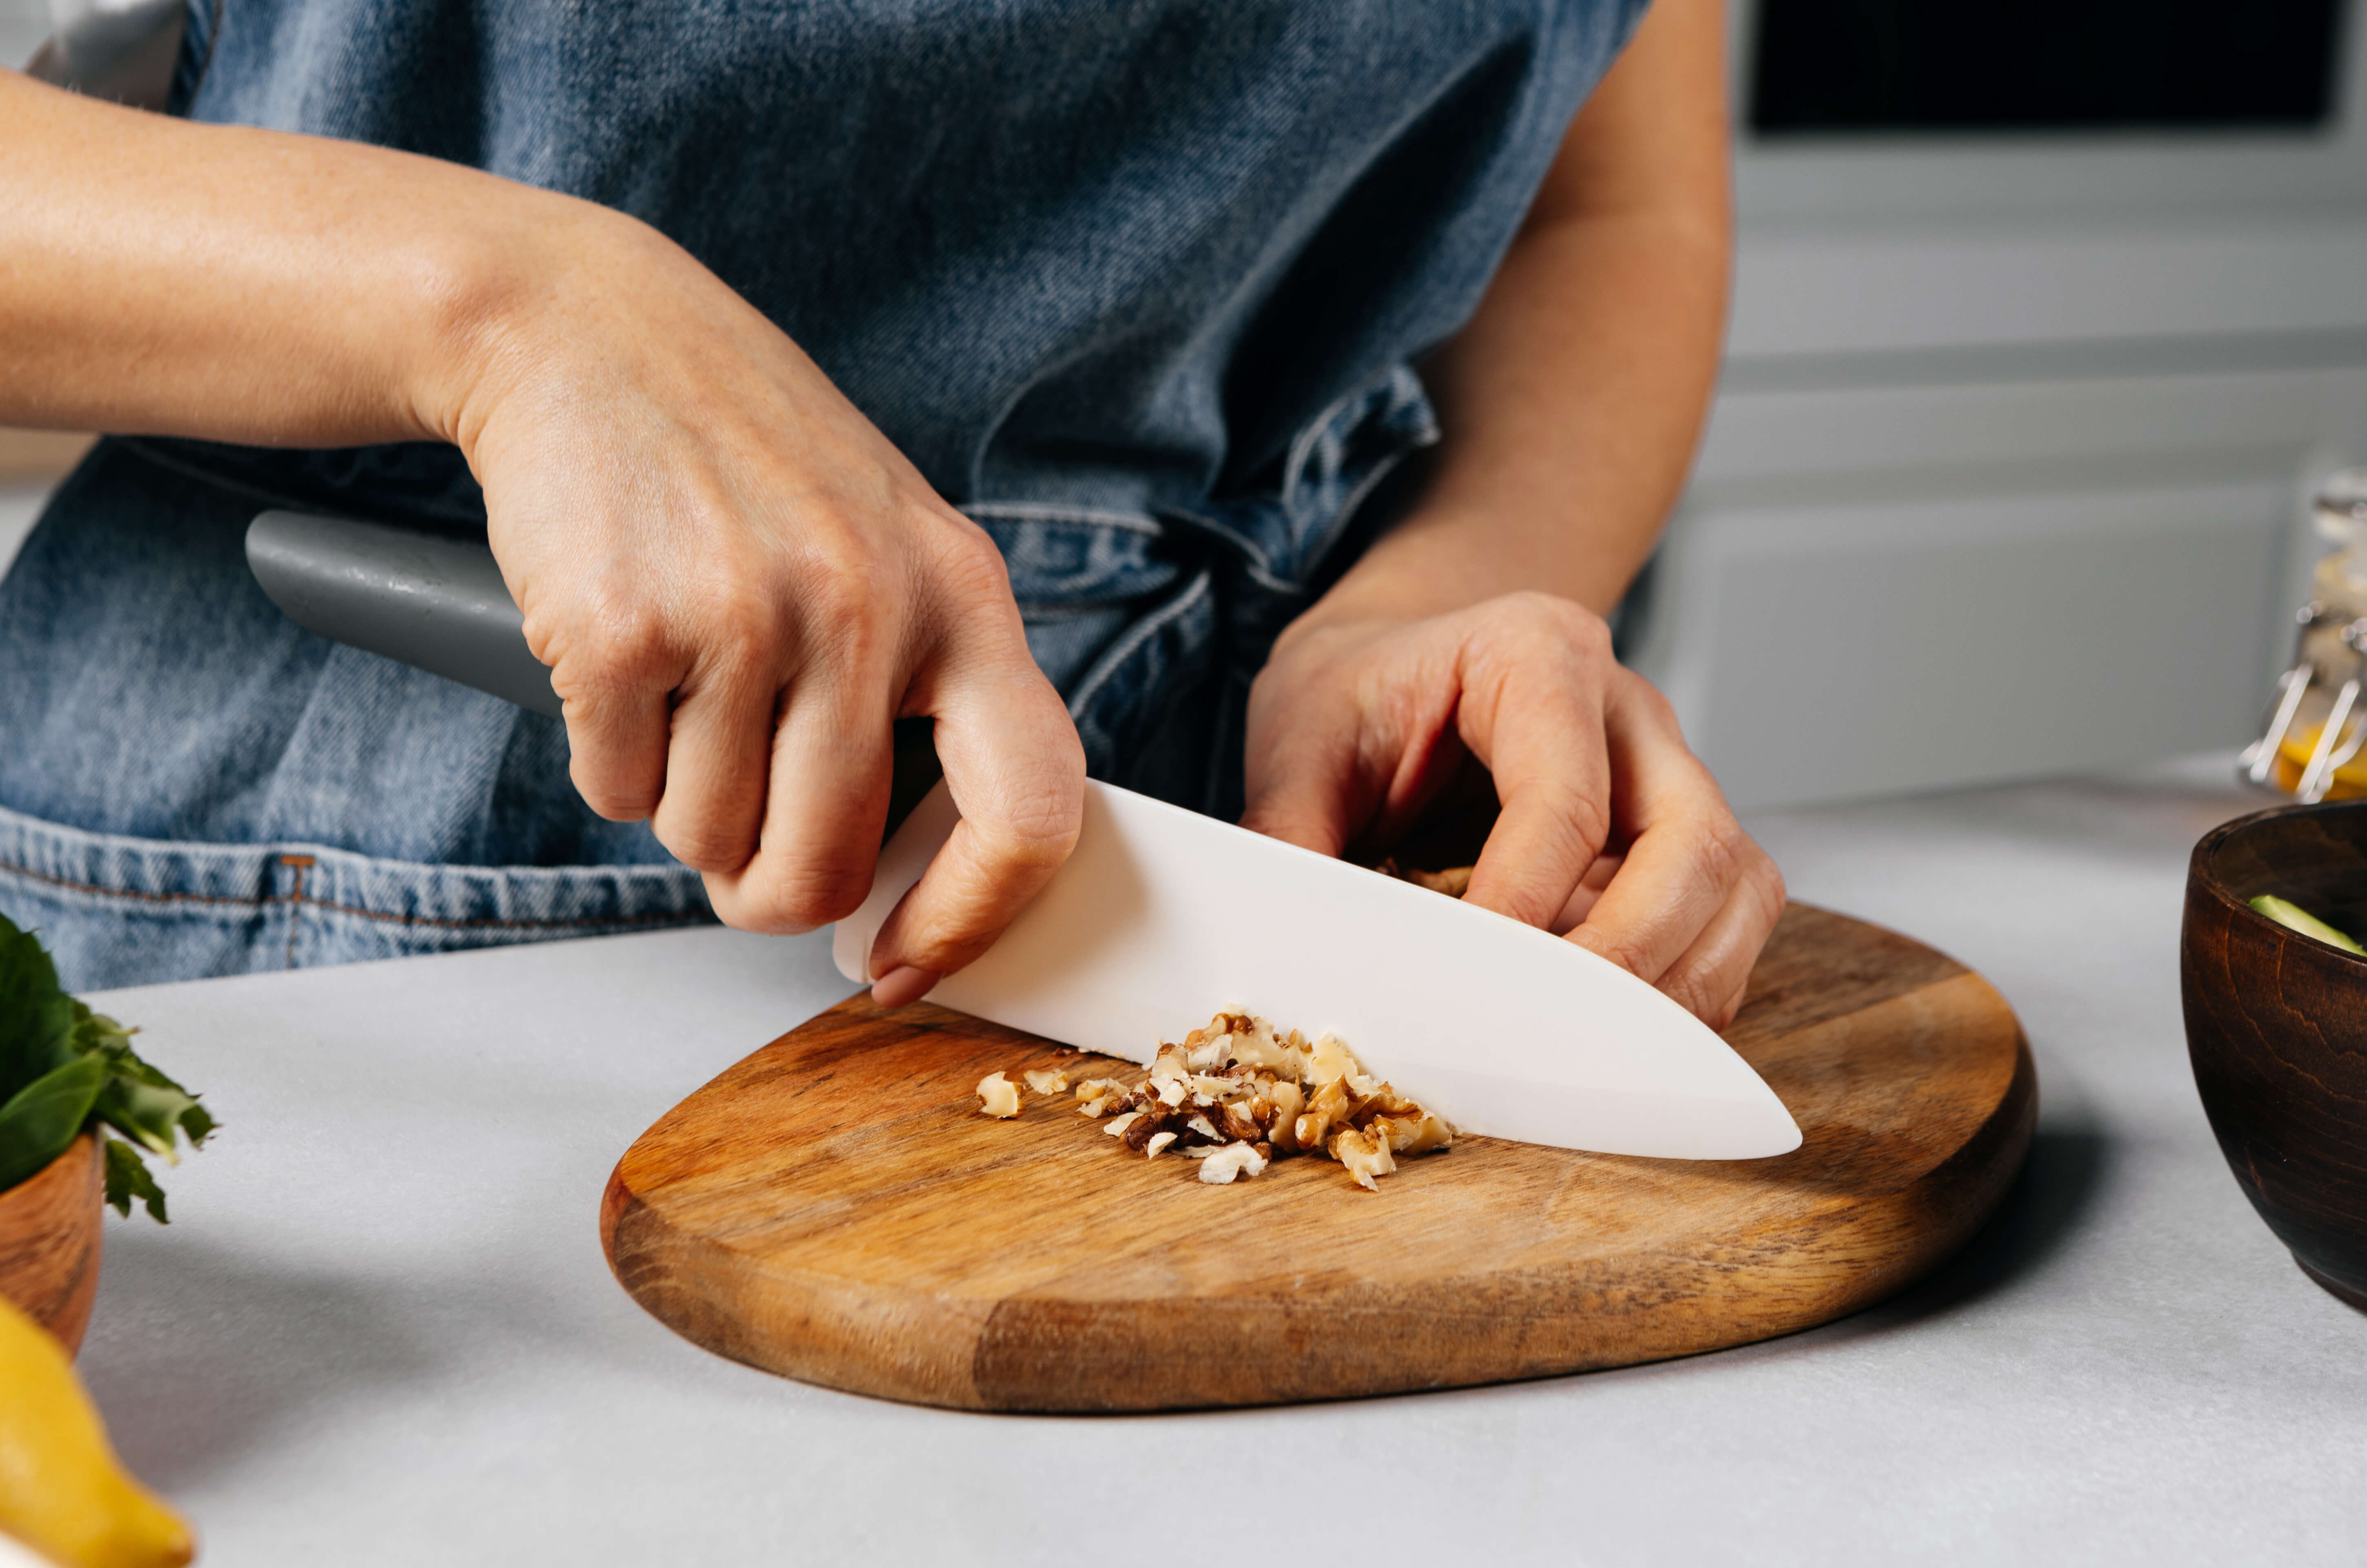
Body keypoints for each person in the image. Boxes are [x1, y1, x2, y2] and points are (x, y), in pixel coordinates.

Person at [0, 0, 1783, 1023]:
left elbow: (1610, 209)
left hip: (1248, 870)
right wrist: (506, 309)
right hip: (333, 937)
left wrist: (1450, 583)